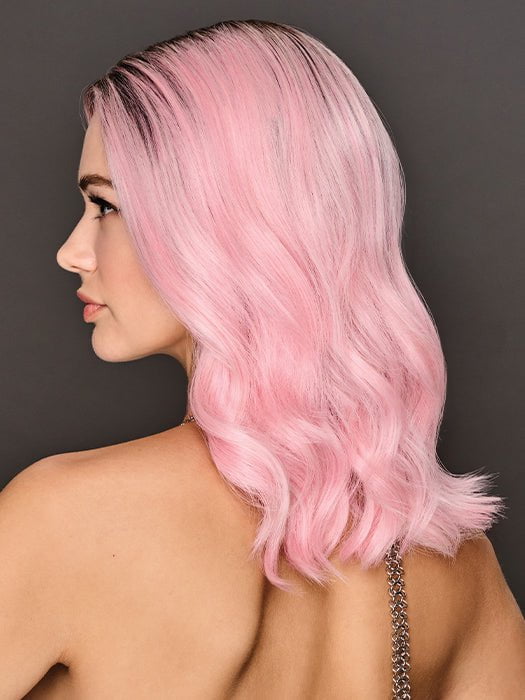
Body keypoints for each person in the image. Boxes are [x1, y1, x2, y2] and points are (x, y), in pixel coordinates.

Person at [2, 19, 524, 699]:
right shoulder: (459, 568)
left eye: (104, 205)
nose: (70, 252)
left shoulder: (67, 518)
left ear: (218, 223)